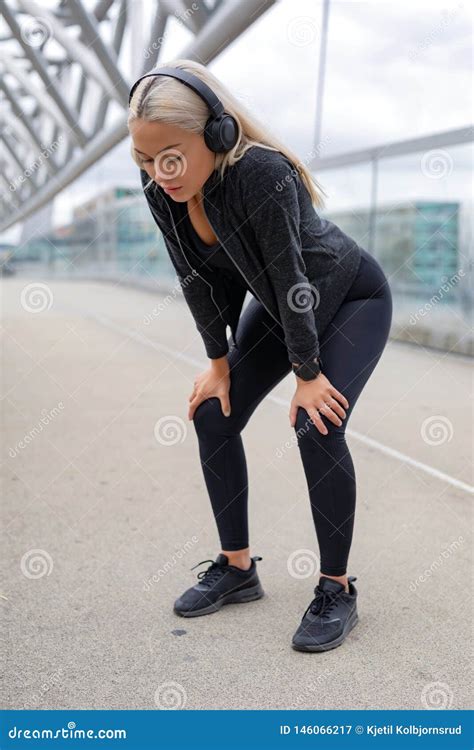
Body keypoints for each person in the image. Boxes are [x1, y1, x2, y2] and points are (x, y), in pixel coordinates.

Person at [128, 58, 393, 652]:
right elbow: (195, 279)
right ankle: (238, 568)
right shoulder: (163, 189)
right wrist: (218, 363)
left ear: (215, 133)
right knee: (211, 413)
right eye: (145, 159)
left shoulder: (262, 174)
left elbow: (291, 277)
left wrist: (307, 375)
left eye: (170, 153)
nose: (159, 171)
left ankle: (337, 589)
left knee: (317, 423)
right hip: (283, 307)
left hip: (350, 296)